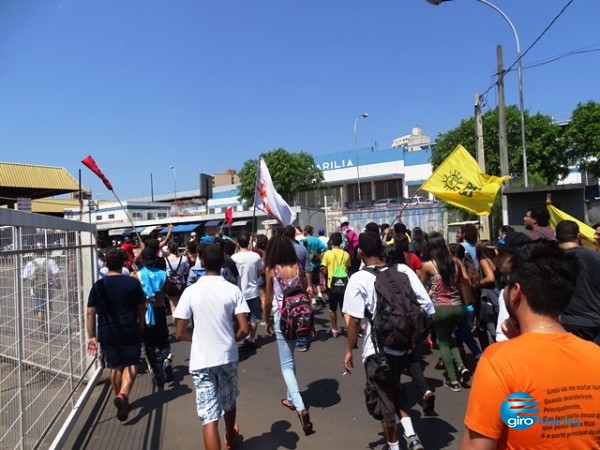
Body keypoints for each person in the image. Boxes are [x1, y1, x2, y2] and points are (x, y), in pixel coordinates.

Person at [461, 239, 600, 449]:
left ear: (516, 291)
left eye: (507, 284)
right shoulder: (595, 355)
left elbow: (476, 446)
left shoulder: (498, 361)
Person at [342, 232, 425, 450]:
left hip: (376, 349)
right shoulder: (402, 270)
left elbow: (353, 321)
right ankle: (412, 436)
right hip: (403, 346)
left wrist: (349, 349)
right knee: (396, 389)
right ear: (381, 250)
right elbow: (425, 305)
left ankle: (394, 445)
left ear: (360, 252)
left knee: (384, 401)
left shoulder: (358, 278)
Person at [174, 243, 249, 450]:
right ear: (223, 262)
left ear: (202, 261)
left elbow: (179, 332)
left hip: (201, 359)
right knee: (229, 400)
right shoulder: (232, 290)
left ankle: (225, 435)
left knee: (209, 416)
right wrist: (230, 339)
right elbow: (244, 328)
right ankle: (230, 437)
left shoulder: (191, 291)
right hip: (227, 355)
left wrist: (198, 336)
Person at [263, 234, 315, 436]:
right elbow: (304, 293)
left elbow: (268, 300)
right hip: (300, 316)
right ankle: (291, 398)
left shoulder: (271, 270)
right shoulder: (297, 267)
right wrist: (310, 322)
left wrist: (267, 321)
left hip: (282, 318)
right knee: (290, 360)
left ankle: (300, 406)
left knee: (286, 365)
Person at [86, 247, 146, 422]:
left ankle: (119, 396)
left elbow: (90, 311)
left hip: (107, 330)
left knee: (115, 367)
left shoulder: (99, 285)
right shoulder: (132, 283)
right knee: (132, 364)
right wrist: (141, 324)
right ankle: (123, 394)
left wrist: (91, 336)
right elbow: (141, 307)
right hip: (129, 327)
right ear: (123, 264)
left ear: (106, 264)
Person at [419, 232, 470, 392]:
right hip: (457, 307)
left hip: (439, 308)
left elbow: (421, 286)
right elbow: (466, 280)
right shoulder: (455, 261)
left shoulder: (428, 265)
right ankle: (461, 366)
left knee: (443, 342)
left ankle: (453, 380)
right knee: (450, 338)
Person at [555, 220, 600, 344]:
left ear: (556, 237)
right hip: (595, 323)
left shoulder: (551, 262)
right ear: (578, 236)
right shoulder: (596, 258)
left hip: (564, 323)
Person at [131, 248, 171, 386]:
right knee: (163, 338)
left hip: (145, 311)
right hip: (159, 309)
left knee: (148, 343)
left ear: (142, 260)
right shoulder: (163, 274)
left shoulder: (136, 276)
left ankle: (157, 371)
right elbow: (166, 292)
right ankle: (166, 359)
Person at [283, 225, 313, 352]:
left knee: (287, 309)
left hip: (284, 283)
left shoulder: (282, 250)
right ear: (294, 235)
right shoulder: (301, 249)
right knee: (301, 309)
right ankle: (302, 339)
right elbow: (308, 268)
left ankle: (291, 334)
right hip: (300, 282)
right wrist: (309, 285)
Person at [231, 233, 264, 351]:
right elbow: (260, 271)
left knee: (238, 317)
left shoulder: (234, 258)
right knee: (253, 317)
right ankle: (252, 338)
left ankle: (240, 336)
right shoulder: (256, 256)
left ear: (238, 244)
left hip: (238, 291)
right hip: (253, 290)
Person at [22, 251, 60, 337]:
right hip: (48, 289)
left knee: (39, 310)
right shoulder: (50, 261)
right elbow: (56, 274)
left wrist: (30, 278)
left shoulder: (30, 263)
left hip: (36, 290)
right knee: (47, 308)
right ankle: (47, 327)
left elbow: (23, 278)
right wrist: (58, 284)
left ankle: (42, 331)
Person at [320, 232, 351, 337]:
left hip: (331, 284)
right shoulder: (346, 254)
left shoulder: (327, 254)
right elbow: (348, 268)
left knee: (332, 308)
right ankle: (351, 328)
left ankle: (334, 330)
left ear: (331, 242)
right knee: (345, 309)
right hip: (344, 284)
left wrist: (324, 272)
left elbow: (324, 270)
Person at [303, 225, 328, 306]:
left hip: (307, 265)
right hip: (316, 263)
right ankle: (320, 294)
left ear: (306, 231)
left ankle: (313, 299)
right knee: (317, 282)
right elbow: (325, 248)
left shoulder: (303, 240)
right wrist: (319, 254)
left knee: (309, 283)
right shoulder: (316, 240)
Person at [164, 241, 190, 315]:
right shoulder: (183, 259)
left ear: (168, 249)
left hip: (170, 285)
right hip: (181, 284)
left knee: (173, 306)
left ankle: (176, 324)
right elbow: (187, 271)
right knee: (182, 306)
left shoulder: (165, 260)